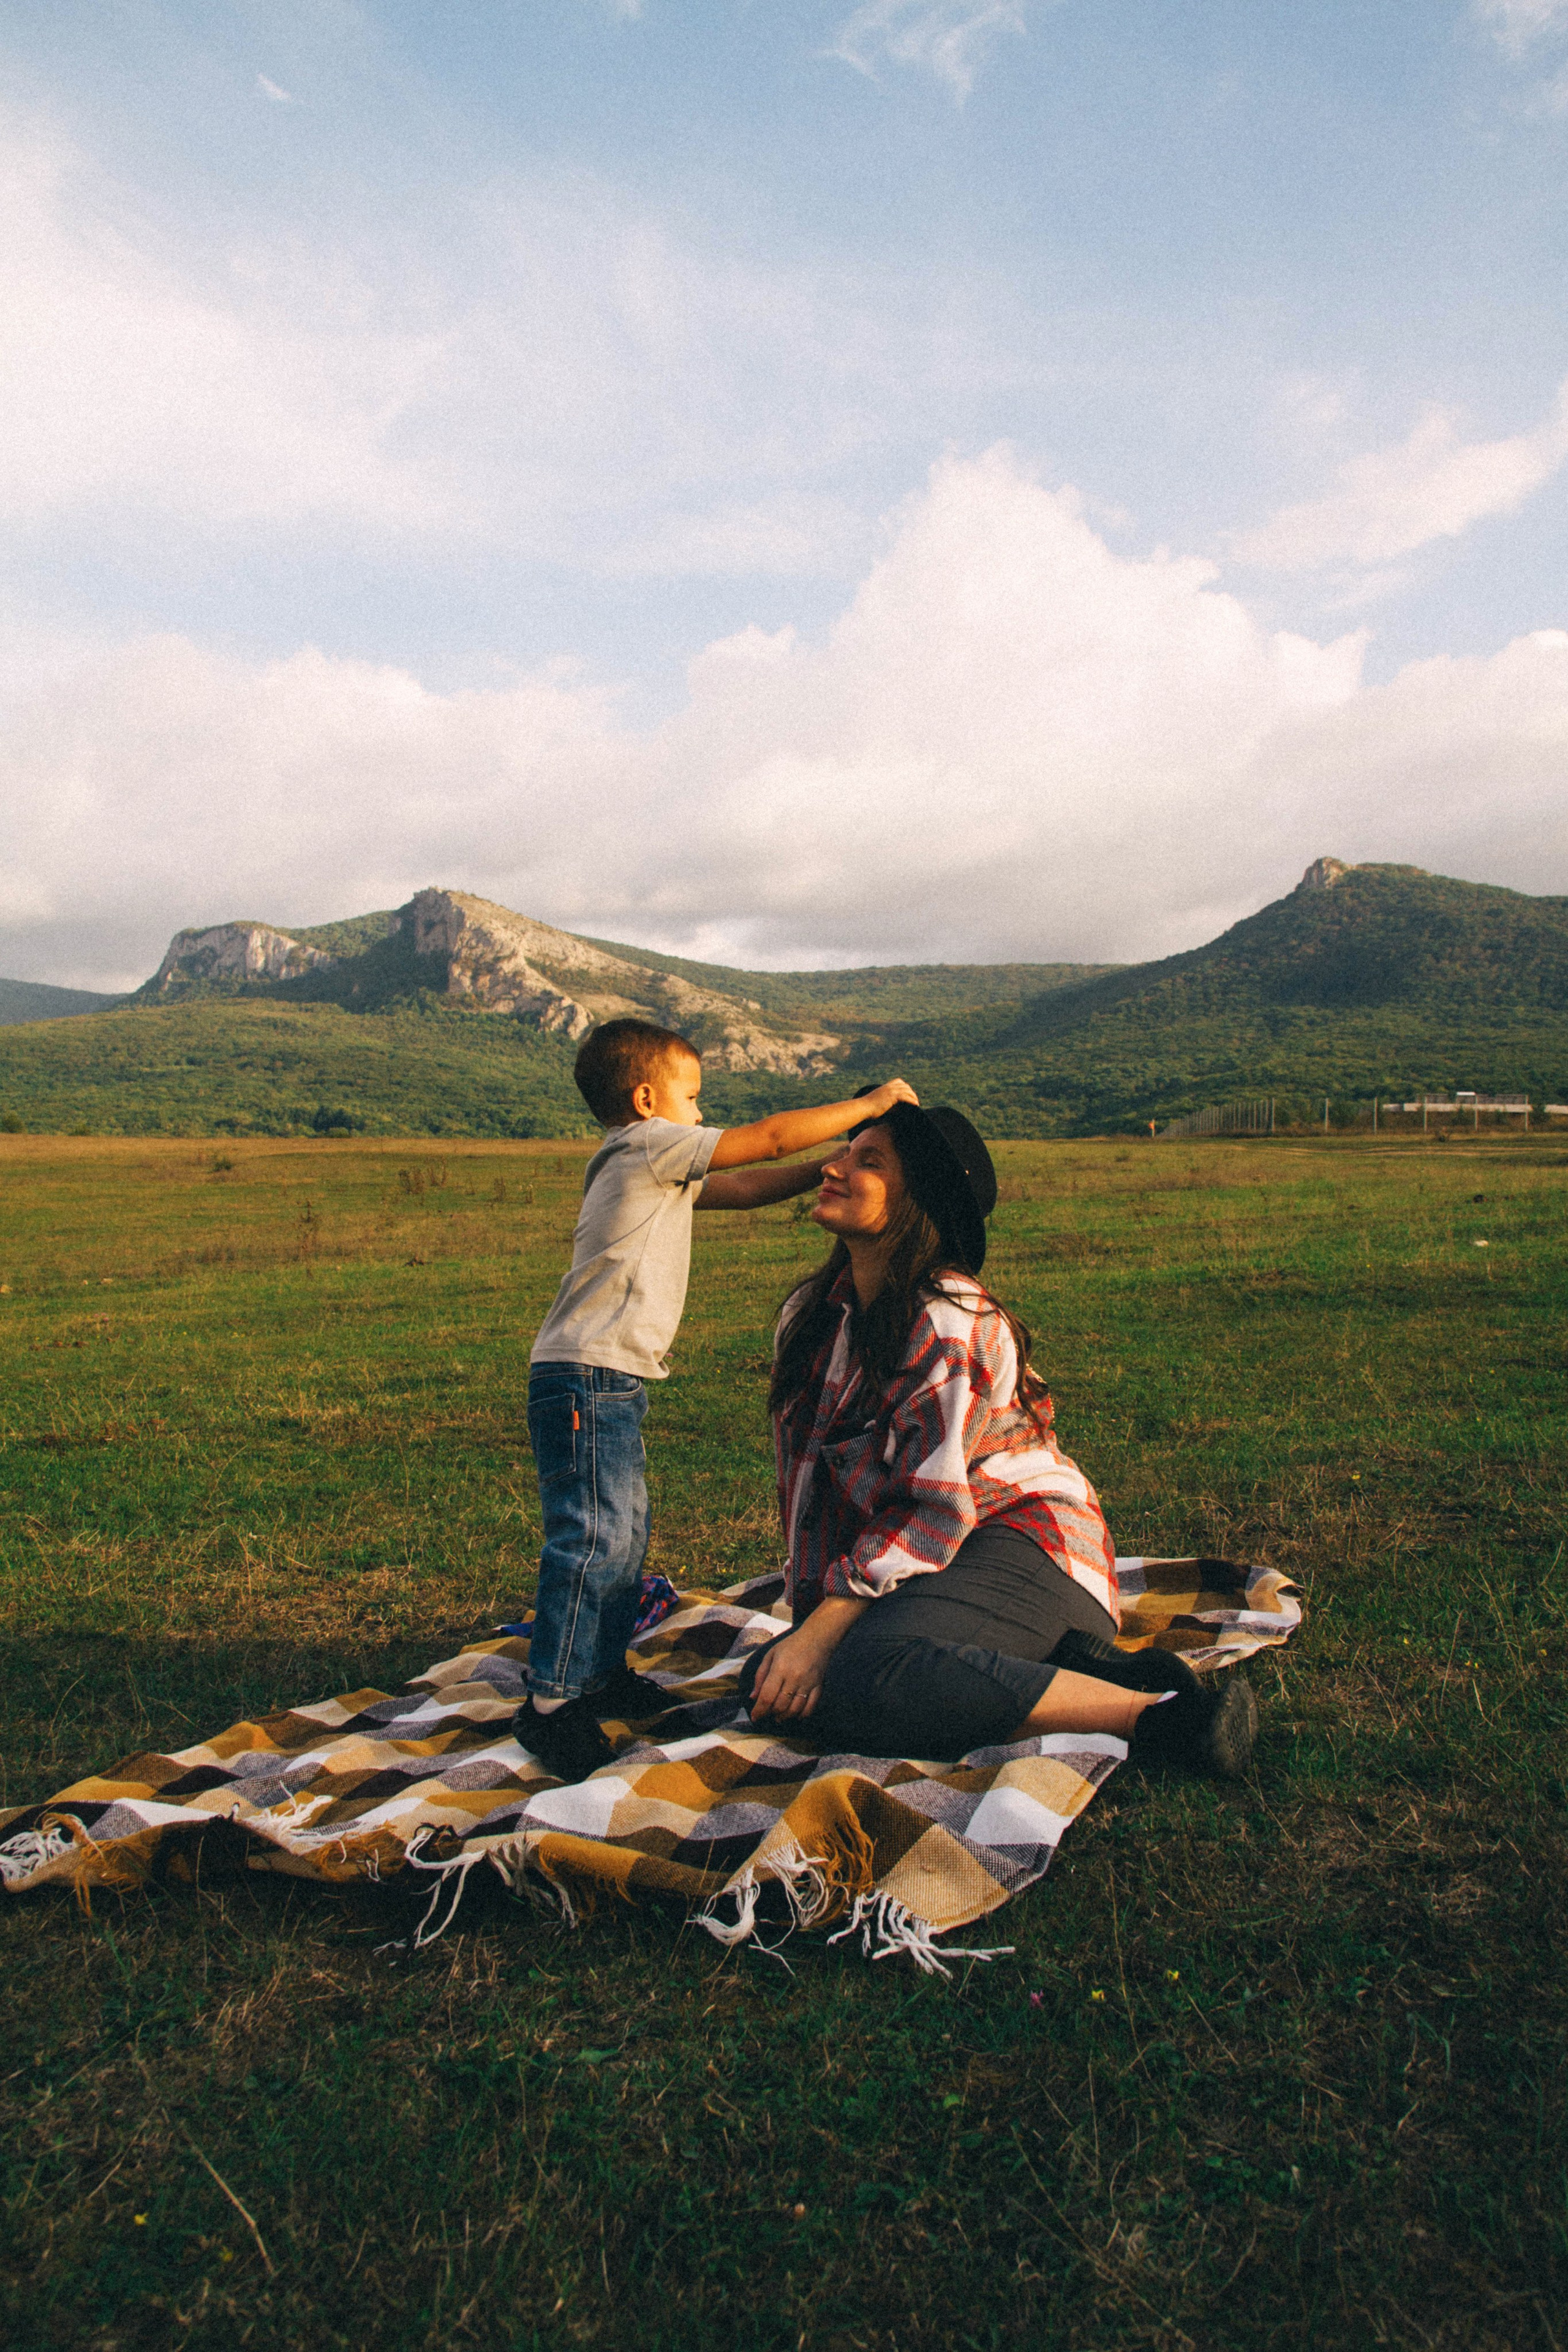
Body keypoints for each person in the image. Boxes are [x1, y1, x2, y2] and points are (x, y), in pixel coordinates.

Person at [743, 1099, 1258, 1774]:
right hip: (925, 1561)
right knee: (771, 1684)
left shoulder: (949, 1322)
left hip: (1026, 1540)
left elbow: (933, 1509)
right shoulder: (812, 1317)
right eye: (846, 1151)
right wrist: (810, 1626)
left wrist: (827, 1635)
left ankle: (1161, 1716)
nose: (832, 1167)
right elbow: (808, 1487)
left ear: (917, 1201)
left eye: (867, 1162)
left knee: (870, 1676)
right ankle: (1062, 1663)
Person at [517, 1016, 919, 1781]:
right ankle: (550, 1701)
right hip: (585, 1375)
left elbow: (743, 1186)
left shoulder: (648, 1165)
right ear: (646, 1099)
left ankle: (597, 1677)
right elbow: (764, 1141)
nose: (702, 1115)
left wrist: (826, 1172)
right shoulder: (644, 1144)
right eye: (694, 1098)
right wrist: (866, 1111)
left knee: (622, 1533)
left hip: (607, 1377)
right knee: (592, 1538)